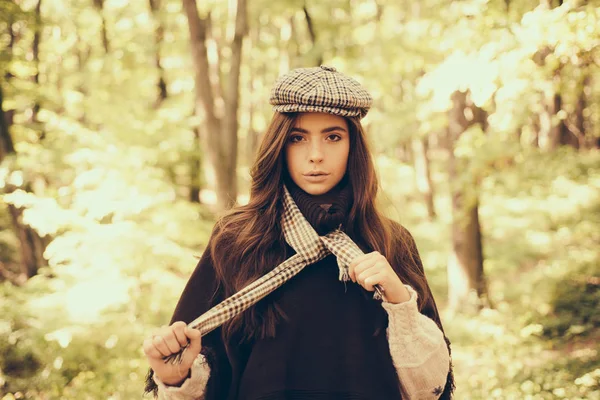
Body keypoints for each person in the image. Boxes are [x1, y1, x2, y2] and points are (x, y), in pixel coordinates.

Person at [143, 65, 454, 400]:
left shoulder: (390, 242)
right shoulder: (237, 239)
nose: (316, 155)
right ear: (279, 145)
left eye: (333, 137)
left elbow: (429, 389)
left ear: (354, 148)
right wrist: (177, 377)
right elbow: (207, 369)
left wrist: (398, 299)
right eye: (298, 138)